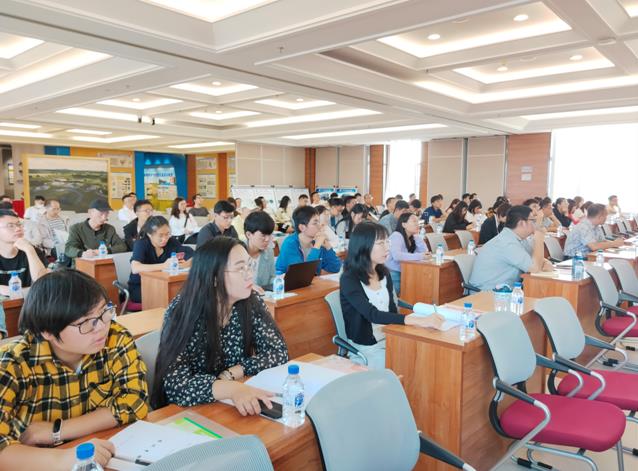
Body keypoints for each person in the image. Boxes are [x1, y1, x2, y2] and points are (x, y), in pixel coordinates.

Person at [0, 269, 148, 470]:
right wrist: (63, 459)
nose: (101, 327)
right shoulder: (14, 364)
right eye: (86, 322)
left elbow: (135, 402)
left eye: (104, 312)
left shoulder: (115, 338)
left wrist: (57, 430)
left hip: (101, 450)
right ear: (47, 331)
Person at [152, 237, 288, 412]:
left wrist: (235, 371)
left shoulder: (250, 301)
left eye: (249, 265)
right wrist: (231, 389)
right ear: (214, 277)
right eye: (240, 268)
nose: (249, 274)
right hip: (187, 410)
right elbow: (176, 384)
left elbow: (278, 352)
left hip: (228, 402)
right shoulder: (183, 311)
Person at [340, 222, 444, 369]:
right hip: (368, 348)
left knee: (426, 355)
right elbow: (372, 315)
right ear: (363, 246)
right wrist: (419, 320)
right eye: (380, 243)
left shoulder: (383, 273)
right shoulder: (349, 279)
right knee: (407, 366)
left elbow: (392, 310)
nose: (387, 248)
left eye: (387, 242)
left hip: (392, 336)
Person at [469, 205, 552, 290]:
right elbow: (535, 268)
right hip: (487, 292)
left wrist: (544, 262)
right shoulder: (507, 242)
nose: (535, 225)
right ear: (521, 223)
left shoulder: (519, 239)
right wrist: (539, 239)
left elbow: (535, 260)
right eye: (533, 220)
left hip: (504, 291)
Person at [129, 216, 194, 304]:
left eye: (167, 234)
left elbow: (193, 256)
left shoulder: (171, 242)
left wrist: (183, 265)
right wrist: (164, 265)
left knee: (185, 293)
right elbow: (135, 268)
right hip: (141, 287)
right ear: (149, 234)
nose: (165, 239)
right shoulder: (141, 244)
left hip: (164, 284)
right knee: (170, 296)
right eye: (160, 235)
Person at [275, 205, 342, 275]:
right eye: (315, 223)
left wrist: (328, 246)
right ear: (302, 227)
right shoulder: (290, 244)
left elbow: (335, 268)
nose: (319, 226)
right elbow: (302, 273)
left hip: (310, 281)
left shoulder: (317, 241)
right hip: (285, 281)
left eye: (319, 222)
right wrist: (316, 247)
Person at [0, 209, 49, 298]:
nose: (18, 228)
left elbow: (43, 285)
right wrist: (30, 291)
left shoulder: (32, 250)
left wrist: (29, 250)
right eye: (10, 226)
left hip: (30, 303)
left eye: (19, 224)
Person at [385, 213, 429, 295]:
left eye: (418, 221)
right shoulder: (396, 236)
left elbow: (425, 252)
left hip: (405, 271)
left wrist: (417, 236)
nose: (417, 224)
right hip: (393, 273)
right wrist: (420, 256)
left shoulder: (412, 238)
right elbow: (397, 256)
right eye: (414, 221)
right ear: (404, 224)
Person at [244, 211, 276, 293]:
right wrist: (248, 286)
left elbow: (271, 277)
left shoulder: (269, 251)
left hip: (263, 296)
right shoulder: (236, 252)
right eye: (263, 235)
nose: (267, 239)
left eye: (269, 234)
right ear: (249, 235)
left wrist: (279, 280)